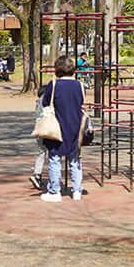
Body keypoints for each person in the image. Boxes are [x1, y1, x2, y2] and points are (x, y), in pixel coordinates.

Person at [36, 55, 87, 202]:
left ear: (57, 69)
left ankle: (54, 191)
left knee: (54, 159)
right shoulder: (79, 85)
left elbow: (46, 102)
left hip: (57, 125)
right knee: (75, 159)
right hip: (76, 126)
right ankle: (77, 190)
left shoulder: (54, 85)